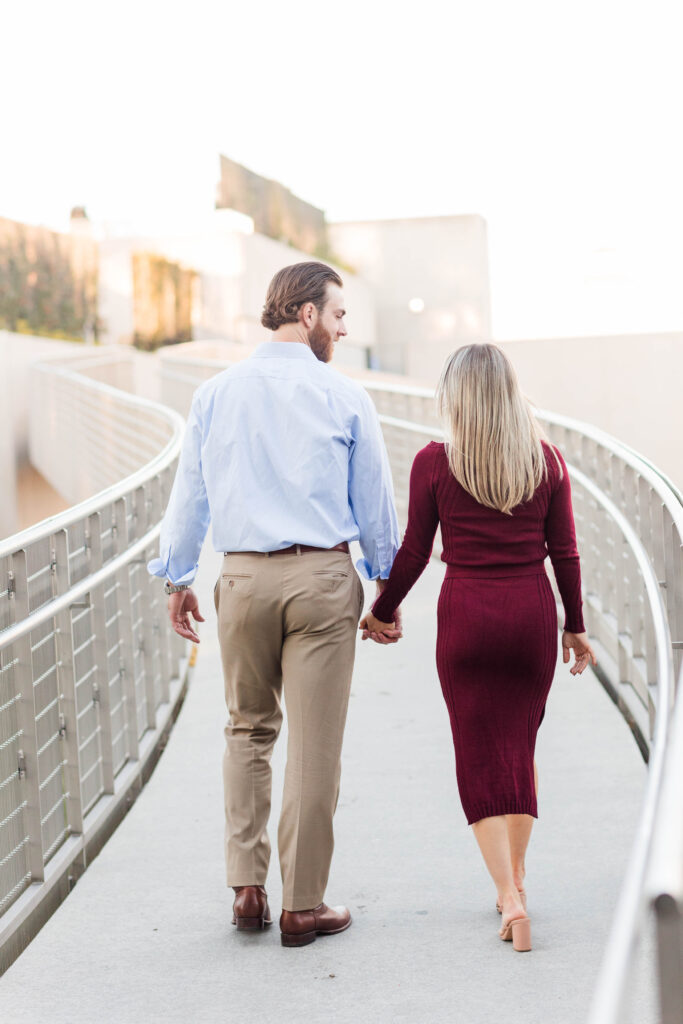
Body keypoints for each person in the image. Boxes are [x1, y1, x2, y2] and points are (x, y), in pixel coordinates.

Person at [148, 261, 400, 948]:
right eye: (338, 314)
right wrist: (386, 586)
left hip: (242, 581)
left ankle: (248, 891)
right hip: (320, 579)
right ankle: (304, 906)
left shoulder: (215, 395)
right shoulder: (345, 398)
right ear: (307, 313)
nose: (344, 329)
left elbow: (189, 494)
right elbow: (374, 504)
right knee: (314, 748)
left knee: (247, 729)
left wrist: (178, 576)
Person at [361, 342, 597, 953]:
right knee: (519, 744)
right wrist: (576, 625)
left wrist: (382, 610)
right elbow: (565, 552)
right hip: (529, 616)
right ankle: (515, 880)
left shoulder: (434, 463)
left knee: (477, 752)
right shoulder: (547, 461)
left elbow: (414, 551)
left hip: (466, 616)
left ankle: (511, 898)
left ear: (456, 399)